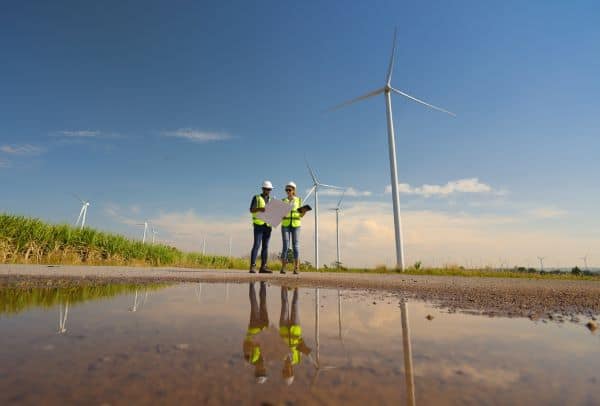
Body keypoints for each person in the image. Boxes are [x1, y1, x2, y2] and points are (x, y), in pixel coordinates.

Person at [279, 286, 311, 385]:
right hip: (296, 329)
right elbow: (301, 343)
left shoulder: (279, 357)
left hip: (283, 327)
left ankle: (283, 284)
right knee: (295, 304)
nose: (287, 371)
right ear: (292, 371)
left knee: (285, 304)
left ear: (283, 371)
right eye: (289, 373)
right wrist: (305, 349)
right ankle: (296, 286)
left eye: (285, 373)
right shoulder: (297, 359)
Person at [243, 282, 270, 384]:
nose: (262, 369)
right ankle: (263, 283)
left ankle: (251, 283)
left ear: (256, 371)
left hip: (254, 327)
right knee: (263, 303)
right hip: (264, 327)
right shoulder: (267, 358)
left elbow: (248, 344)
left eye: (260, 372)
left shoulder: (249, 358)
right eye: (263, 371)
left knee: (254, 303)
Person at [280, 181, 305, 274]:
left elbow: (301, 215)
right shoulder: (283, 200)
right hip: (285, 225)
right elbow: (279, 215)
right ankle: (283, 267)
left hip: (296, 225)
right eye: (286, 190)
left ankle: (296, 267)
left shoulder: (299, 200)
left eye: (289, 190)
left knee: (296, 246)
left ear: (293, 190)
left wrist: (304, 211)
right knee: (285, 246)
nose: (287, 191)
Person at [249, 180, 274, 273]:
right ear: (263, 189)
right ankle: (252, 266)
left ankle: (263, 267)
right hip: (258, 225)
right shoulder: (256, 197)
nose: (268, 191)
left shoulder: (272, 200)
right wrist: (260, 209)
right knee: (257, 245)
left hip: (268, 226)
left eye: (270, 189)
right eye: (267, 189)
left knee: (265, 246)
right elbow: (251, 210)